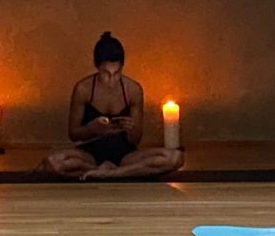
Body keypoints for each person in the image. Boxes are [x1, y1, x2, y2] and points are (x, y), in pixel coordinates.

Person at [39, 31, 184, 180]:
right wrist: (92, 128)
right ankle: (100, 170)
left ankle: (112, 173)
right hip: (89, 155)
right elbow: (74, 134)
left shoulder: (133, 90)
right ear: (97, 67)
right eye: (106, 73)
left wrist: (130, 129)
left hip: (125, 155)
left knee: (175, 158)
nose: (111, 79)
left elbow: (136, 140)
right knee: (53, 162)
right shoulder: (84, 89)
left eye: (117, 73)